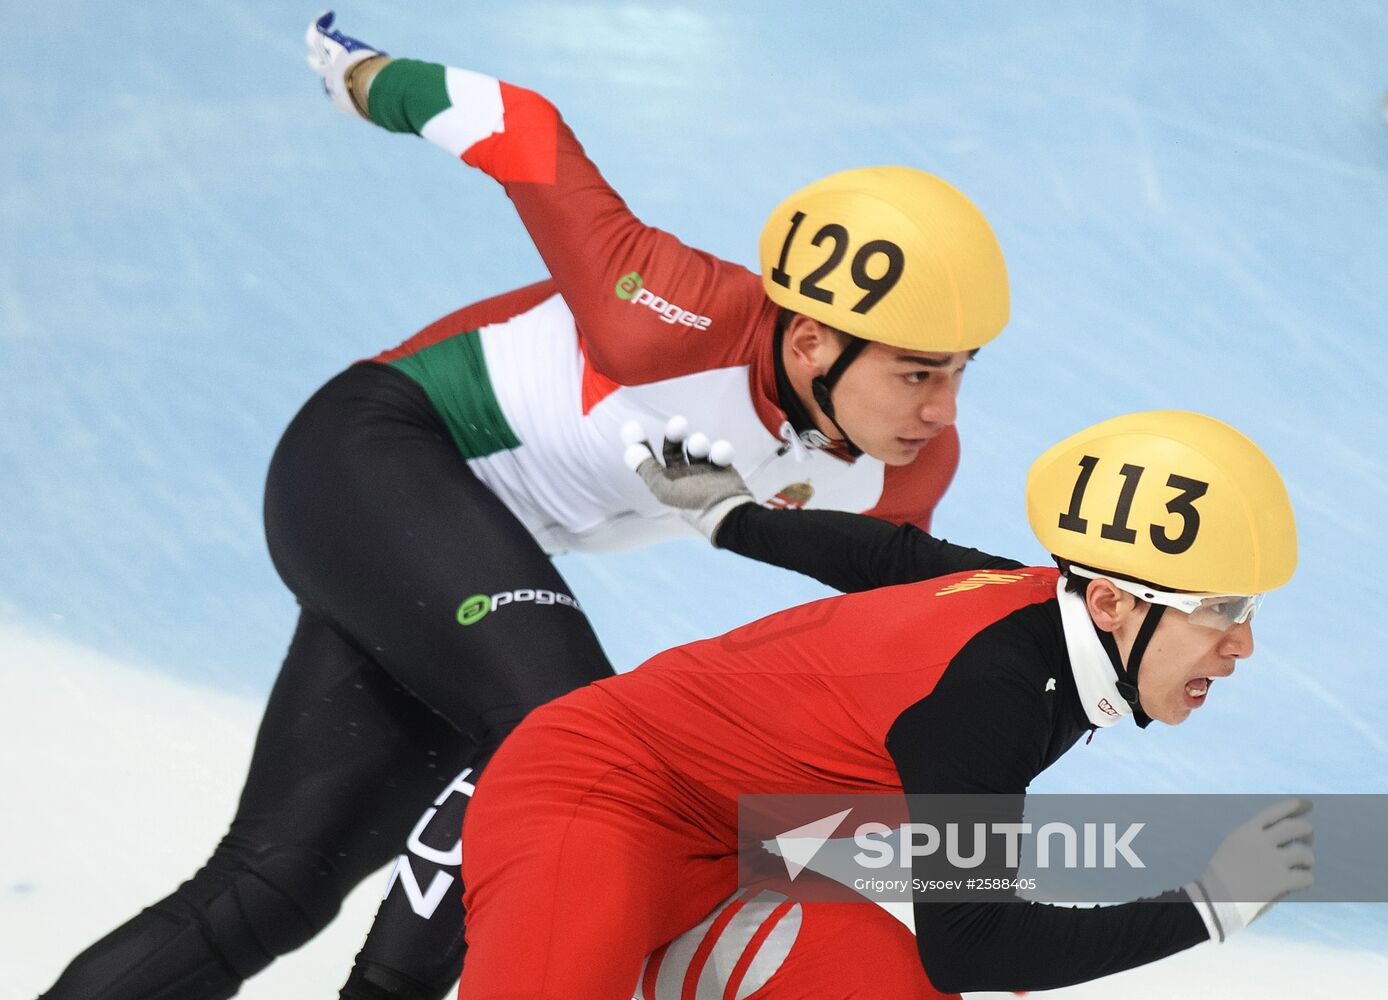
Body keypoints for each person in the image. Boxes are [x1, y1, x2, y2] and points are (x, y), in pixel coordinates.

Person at [38, 12, 1013, 1000]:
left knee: (274, 882)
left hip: (455, 562)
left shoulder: (906, 472)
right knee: (572, 735)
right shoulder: (663, 311)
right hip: (372, 452)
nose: (941, 412)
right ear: (810, 344)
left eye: (961, 373)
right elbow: (523, 130)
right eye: (918, 374)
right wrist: (361, 74)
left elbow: (872, 667)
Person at [453, 409, 1314, 997]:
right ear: (1113, 604)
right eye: (1221, 613)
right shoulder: (992, 698)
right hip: (593, 797)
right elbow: (971, 944)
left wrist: (732, 516)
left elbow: (888, 555)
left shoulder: (1034, 600)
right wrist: (1210, 904)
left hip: (736, 853)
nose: (1241, 646)